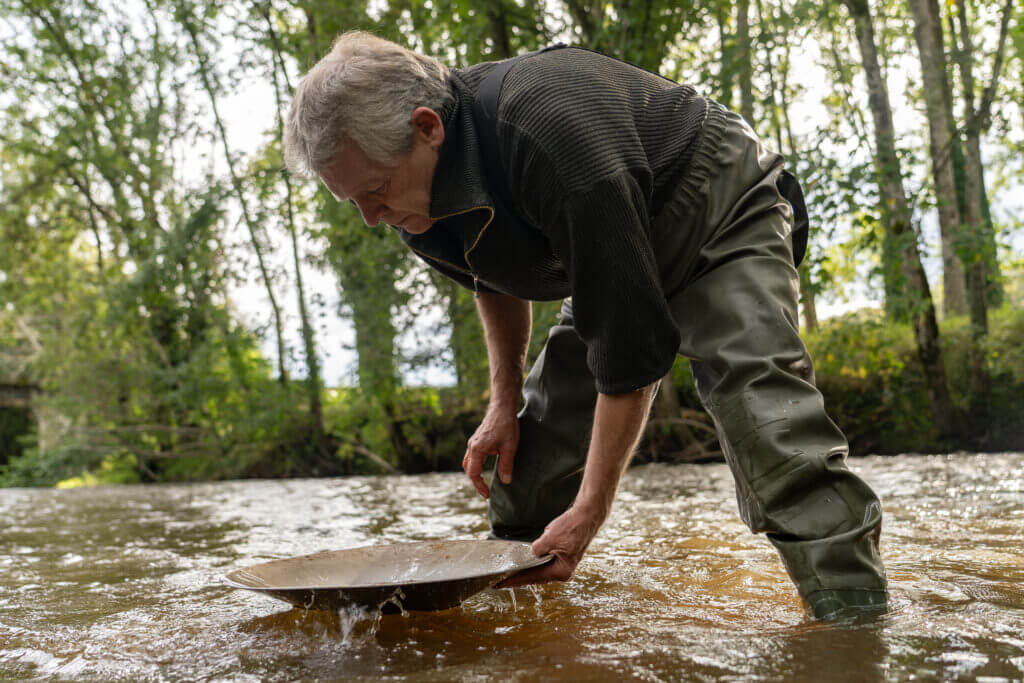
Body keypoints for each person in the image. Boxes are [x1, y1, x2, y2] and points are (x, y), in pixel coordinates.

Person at [283, 31, 888, 620]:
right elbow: (493, 275)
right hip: (602, 253)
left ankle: (856, 626)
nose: (370, 218)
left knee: (769, 429)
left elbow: (629, 345)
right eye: (353, 201)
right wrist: (503, 403)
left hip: (714, 204)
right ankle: (523, 632)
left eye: (375, 190)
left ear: (426, 128)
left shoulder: (545, 132)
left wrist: (592, 509)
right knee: (526, 468)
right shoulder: (410, 205)